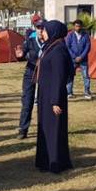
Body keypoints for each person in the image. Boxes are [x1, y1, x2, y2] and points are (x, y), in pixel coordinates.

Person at [35, 20, 74, 173]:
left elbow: (59, 77)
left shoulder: (58, 50)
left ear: (53, 32)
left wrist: (55, 101)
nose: (42, 33)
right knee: (46, 128)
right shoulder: (50, 47)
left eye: (44, 30)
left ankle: (55, 162)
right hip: (46, 95)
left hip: (53, 96)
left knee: (53, 129)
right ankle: (45, 161)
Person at [17, 15, 45, 139]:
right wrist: (20, 55)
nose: (40, 30)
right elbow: (22, 54)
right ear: (35, 29)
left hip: (45, 74)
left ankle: (44, 129)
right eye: (38, 27)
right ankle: (23, 129)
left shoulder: (50, 43)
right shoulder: (30, 41)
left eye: (43, 28)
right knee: (27, 102)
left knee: (45, 103)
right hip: (30, 73)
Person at [66, 19, 93, 100]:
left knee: (86, 76)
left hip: (83, 59)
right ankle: (69, 93)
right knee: (70, 75)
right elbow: (68, 47)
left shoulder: (85, 35)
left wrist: (81, 56)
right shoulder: (70, 35)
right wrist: (74, 57)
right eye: (76, 26)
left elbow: (88, 47)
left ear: (81, 26)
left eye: (79, 26)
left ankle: (87, 92)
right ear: (74, 26)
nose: (78, 27)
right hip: (72, 60)